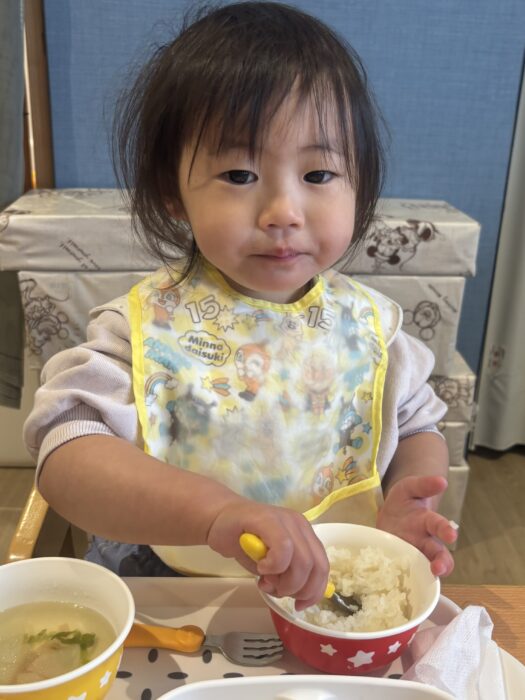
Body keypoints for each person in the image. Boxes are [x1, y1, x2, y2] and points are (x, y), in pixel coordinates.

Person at [23, 1, 457, 610]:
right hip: (170, 587)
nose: (283, 211)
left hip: (334, 594)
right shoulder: (142, 329)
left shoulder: (371, 329)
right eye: (238, 174)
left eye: (318, 175)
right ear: (172, 192)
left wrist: (408, 495)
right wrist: (215, 513)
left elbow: (415, 426)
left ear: (359, 183)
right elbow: (66, 450)